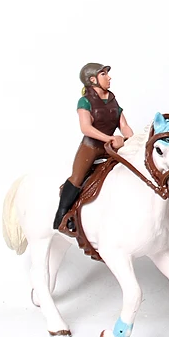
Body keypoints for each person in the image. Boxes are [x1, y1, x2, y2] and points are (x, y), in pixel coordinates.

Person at [53, 63, 134, 230]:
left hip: (111, 148)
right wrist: (109, 138)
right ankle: (62, 215)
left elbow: (124, 125)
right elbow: (86, 127)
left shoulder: (112, 100)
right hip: (91, 147)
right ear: (92, 79)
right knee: (77, 178)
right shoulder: (85, 101)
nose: (109, 77)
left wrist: (132, 139)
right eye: (103, 74)